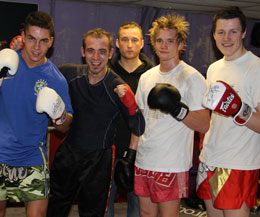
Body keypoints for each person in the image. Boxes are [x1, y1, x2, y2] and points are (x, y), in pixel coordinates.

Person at [46, 28, 145, 217]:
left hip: (99, 161)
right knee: (54, 209)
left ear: (110, 53)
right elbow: (39, 74)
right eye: (91, 50)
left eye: (102, 51)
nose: (96, 57)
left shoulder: (116, 86)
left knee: (93, 214)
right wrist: (20, 50)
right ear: (83, 52)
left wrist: (131, 104)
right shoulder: (69, 73)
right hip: (68, 155)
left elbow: (138, 127)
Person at [131, 14, 210, 217]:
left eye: (170, 41)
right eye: (159, 40)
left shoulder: (192, 77)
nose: (163, 46)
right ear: (153, 43)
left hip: (171, 163)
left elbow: (204, 124)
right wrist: (130, 155)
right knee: (145, 214)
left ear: (181, 44)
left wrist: (177, 109)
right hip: (144, 159)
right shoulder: (146, 77)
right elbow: (139, 120)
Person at [0, 10, 73, 217]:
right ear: (23, 36)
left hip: (31, 157)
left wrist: (59, 115)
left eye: (43, 41)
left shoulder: (56, 79)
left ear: (51, 42)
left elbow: (64, 126)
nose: (36, 47)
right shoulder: (5, 63)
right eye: (32, 39)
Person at [196, 6, 260, 217]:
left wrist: (239, 110)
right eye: (221, 32)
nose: (227, 38)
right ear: (213, 34)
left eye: (233, 31)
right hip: (209, 158)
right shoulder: (215, 68)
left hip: (238, 163)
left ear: (243, 33)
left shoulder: (255, 68)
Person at [106, 21, 153, 217]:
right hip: (109, 148)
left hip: (141, 152)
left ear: (142, 43)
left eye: (135, 40)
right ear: (117, 43)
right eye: (125, 40)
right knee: (105, 205)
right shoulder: (106, 71)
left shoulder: (152, 75)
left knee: (137, 208)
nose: (130, 45)